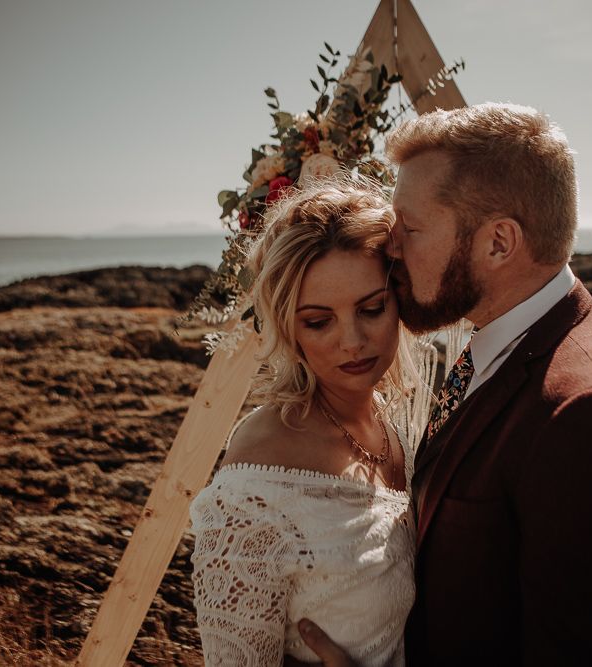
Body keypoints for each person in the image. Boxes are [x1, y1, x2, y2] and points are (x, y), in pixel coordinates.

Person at [290, 103, 592, 666]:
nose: (389, 248)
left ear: (498, 243)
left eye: (409, 228)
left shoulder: (586, 413)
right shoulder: (497, 342)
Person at [189, 177, 433, 666]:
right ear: (289, 329)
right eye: (319, 321)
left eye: (371, 308)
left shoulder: (403, 424)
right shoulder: (257, 475)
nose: (353, 341)